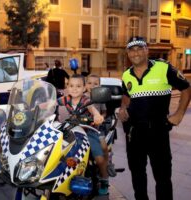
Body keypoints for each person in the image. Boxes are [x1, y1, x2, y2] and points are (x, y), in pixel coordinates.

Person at [119, 36, 191, 200]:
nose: (135, 52)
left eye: (139, 48)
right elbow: (126, 95)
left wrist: (179, 114)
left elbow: (186, 88)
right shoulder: (126, 75)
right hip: (133, 133)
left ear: (146, 50)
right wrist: (123, 108)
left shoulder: (163, 68)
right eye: (132, 49)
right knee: (137, 175)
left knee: (163, 177)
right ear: (127, 53)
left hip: (158, 132)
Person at [57, 74, 109, 195]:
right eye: (71, 86)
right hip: (72, 130)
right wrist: (36, 107)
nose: (74, 89)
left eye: (78, 86)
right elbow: (52, 103)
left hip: (88, 130)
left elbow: (92, 108)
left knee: (99, 158)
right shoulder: (66, 98)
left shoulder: (85, 99)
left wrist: (96, 115)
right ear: (67, 87)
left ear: (84, 88)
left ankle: (104, 179)